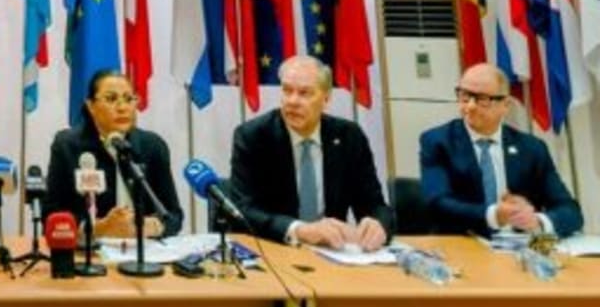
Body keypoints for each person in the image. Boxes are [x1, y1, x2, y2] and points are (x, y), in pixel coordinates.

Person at [229, 56, 393, 250]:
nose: (292, 101)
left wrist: (378, 225)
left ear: (326, 99)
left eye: (304, 93)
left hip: (333, 253)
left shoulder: (349, 137)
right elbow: (243, 210)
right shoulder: (253, 136)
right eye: (287, 91)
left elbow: (374, 204)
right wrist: (299, 230)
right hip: (277, 251)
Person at [419, 63, 583, 237]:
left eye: (482, 99)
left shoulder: (532, 148)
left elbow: (570, 210)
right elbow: (437, 204)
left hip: (520, 248)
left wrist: (537, 221)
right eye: (465, 96)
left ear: (505, 105)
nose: (470, 106)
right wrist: (494, 215)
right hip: (463, 245)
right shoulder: (438, 141)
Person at [45, 70, 184, 238]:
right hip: (90, 255)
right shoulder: (67, 146)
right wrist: (99, 229)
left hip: (145, 254)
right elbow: (51, 217)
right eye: (111, 99)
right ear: (91, 106)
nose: (122, 108)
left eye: (129, 99)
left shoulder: (153, 146)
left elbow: (174, 216)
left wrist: (150, 226)